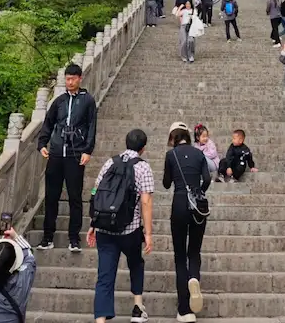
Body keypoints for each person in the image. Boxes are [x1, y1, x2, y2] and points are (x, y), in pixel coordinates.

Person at [87, 129, 155, 323]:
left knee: (104, 276)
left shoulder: (110, 162)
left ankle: (100, 320)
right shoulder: (143, 167)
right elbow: (146, 201)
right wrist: (148, 233)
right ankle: (137, 308)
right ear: (143, 148)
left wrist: (93, 222)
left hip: (105, 228)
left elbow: (96, 191)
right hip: (129, 230)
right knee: (136, 263)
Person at [37, 63, 97, 251]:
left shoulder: (88, 101)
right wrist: (42, 143)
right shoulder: (59, 101)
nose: (69, 82)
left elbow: (92, 126)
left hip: (75, 154)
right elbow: (48, 123)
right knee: (51, 196)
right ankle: (47, 237)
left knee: (75, 197)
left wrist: (87, 150)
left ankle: (74, 238)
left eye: (72, 79)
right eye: (67, 79)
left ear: (80, 78)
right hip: (56, 154)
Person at [163, 123, 211, 323]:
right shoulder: (199, 154)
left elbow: (166, 183)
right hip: (198, 205)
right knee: (194, 251)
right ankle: (194, 278)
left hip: (180, 204)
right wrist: (198, 192)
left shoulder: (171, 155)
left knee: (180, 256)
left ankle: (184, 310)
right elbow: (207, 179)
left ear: (173, 138)